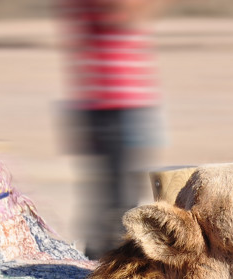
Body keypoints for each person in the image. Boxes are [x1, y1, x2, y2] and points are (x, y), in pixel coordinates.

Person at [59, 0, 166, 259]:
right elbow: (124, 12)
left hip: (128, 100)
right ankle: (106, 267)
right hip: (111, 104)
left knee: (122, 192)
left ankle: (103, 261)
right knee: (118, 198)